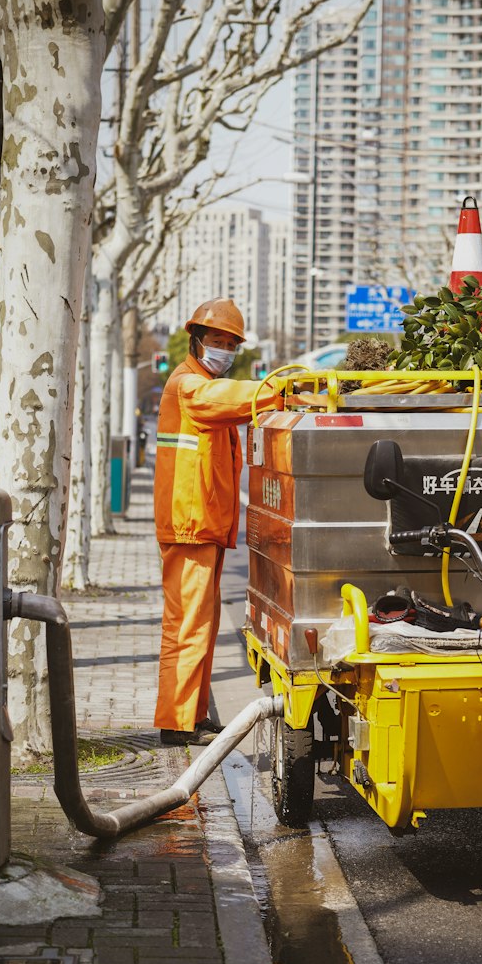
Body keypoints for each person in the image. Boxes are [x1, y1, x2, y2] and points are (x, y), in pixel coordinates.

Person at [153, 298, 281, 746]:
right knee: (187, 624)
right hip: (189, 524)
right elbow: (222, 400)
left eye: (230, 343)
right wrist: (280, 388)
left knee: (201, 624)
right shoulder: (189, 384)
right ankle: (176, 723)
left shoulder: (201, 380)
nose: (224, 349)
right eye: (217, 341)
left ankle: (194, 715)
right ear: (196, 340)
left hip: (201, 525)